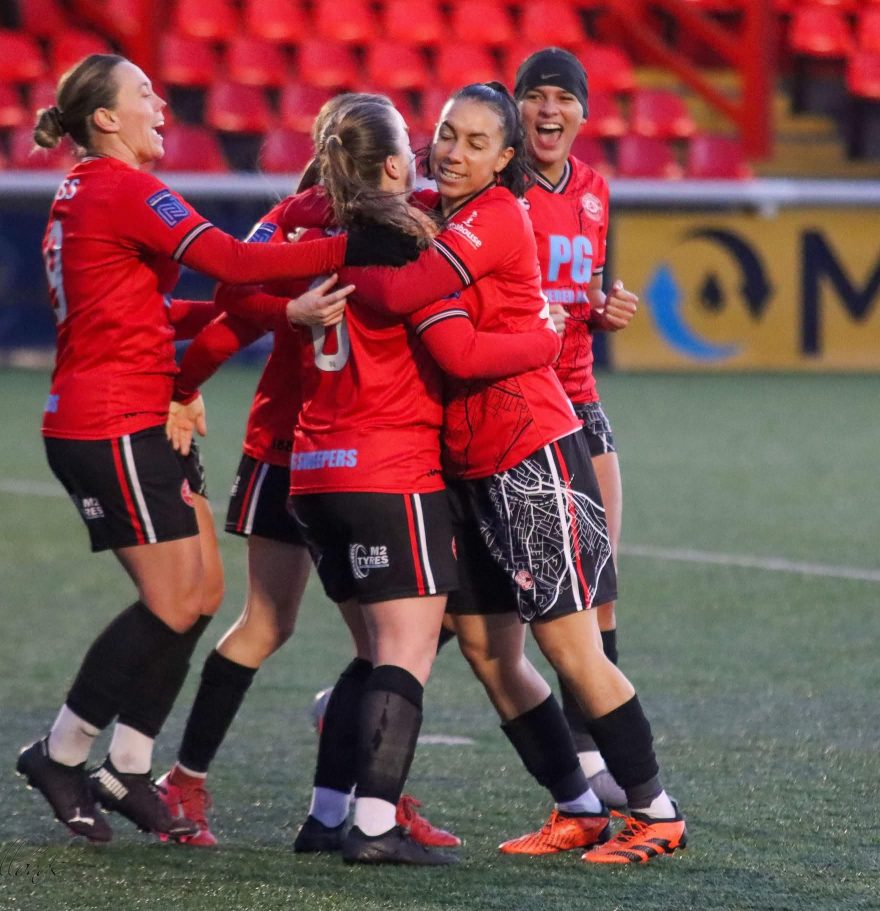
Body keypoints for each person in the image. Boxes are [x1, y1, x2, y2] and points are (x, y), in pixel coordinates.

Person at [14, 54, 419, 844]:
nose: (160, 103)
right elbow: (234, 264)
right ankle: (60, 751)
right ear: (105, 119)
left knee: (200, 593)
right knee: (174, 599)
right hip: (110, 419)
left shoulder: (93, 191)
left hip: (135, 407)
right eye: (143, 94)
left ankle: (129, 765)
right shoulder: (121, 187)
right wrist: (349, 250)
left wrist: (271, 315)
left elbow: (159, 309)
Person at [339, 82, 687, 865]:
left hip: (533, 455)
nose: (452, 152)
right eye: (445, 134)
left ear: (504, 159)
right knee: (487, 649)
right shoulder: (436, 212)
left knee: (573, 648)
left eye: (475, 142)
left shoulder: (494, 215)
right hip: (471, 467)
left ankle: (657, 812)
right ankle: (578, 809)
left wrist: (541, 339)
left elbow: (444, 336)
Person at [153, 93, 462, 851]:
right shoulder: (405, 219)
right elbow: (237, 302)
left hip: (295, 450)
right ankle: (344, 789)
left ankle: (318, 780)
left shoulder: (296, 217)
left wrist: (186, 384)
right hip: (331, 450)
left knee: (336, 635)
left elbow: (231, 303)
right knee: (371, 637)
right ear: (390, 160)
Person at [284, 95, 563, 866]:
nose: (437, 158)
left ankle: (326, 813)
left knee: (372, 652)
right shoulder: (409, 242)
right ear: (394, 164)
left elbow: (251, 268)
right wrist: (543, 336)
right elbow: (454, 346)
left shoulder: (320, 229)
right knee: (405, 652)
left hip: (313, 469)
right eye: (427, 143)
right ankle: (375, 825)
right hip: (387, 465)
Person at [515, 46, 640, 811]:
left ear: (584, 113)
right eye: (536, 95)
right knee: (482, 605)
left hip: (579, 396)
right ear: (517, 107)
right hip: (520, 400)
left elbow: (583, 289)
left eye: (563, 97)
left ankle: (594, 758)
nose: (549, 108)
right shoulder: (500, 186)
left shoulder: (594, 188)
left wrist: (604, 307)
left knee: (600, 587)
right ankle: (361, 694)